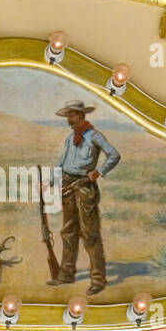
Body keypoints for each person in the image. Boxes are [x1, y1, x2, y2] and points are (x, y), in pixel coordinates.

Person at [51, 100, 120, 295]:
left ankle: (98, 280)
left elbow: (114, 155)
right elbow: (61, 162)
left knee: (90, 234)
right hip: (67, 186)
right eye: (67, 117)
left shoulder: (95, 136)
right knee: (68, 232)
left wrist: (99, 171)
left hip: (84, 187)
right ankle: (66, 274)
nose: (68, 121)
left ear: (81, 116)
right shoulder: (69, 139)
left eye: (71, 116)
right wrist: (50, 182)